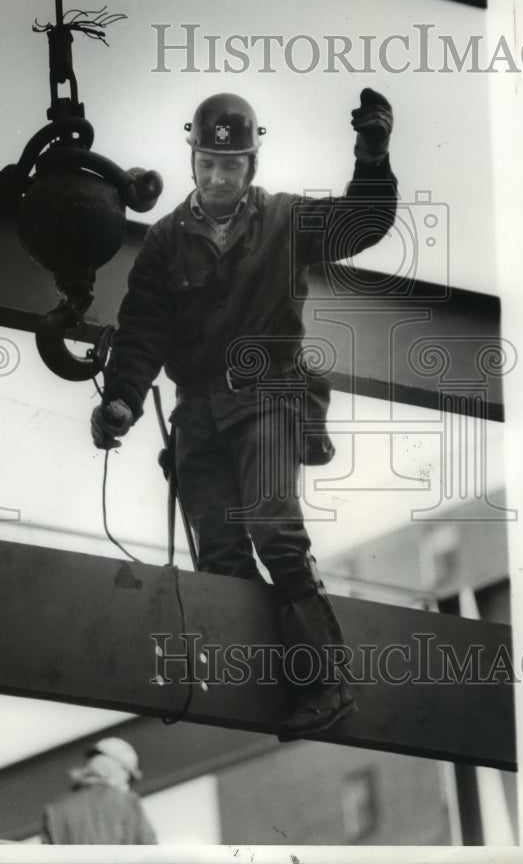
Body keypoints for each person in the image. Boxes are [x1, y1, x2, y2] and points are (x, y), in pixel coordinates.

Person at [91, 90, 398, 741]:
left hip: (267, 399)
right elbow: (142, 330)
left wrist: (372, 156)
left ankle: (325, 684)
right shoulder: (165, 243)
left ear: (250, 166)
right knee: (223, 560)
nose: (218, 177)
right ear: (194, 159)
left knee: (274, 531)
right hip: (198, 422)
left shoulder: (286, 221)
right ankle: (267, 691)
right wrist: (120, 397)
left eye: (231, 166)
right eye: (208, 163)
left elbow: (360, 225)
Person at [41, 736, 157, 845]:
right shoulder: (127, 802)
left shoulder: (54, 811)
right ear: (114, 767)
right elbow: (151, 852)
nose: (127, 784)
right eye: (128, 775)